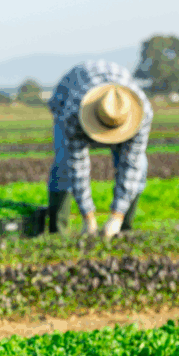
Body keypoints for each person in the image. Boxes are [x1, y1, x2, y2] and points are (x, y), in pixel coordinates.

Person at [47, 60, 153, 238]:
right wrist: (88, 218)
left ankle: (123, 227)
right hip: (66, 99)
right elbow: (77, 166)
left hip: (112, 106)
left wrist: (116, 217)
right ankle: (58, 231)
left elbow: (131, 165)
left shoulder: (142, 113)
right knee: (64, 163)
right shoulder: (73, 112)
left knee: (140, 165)